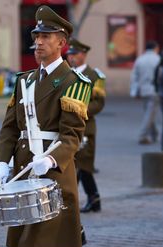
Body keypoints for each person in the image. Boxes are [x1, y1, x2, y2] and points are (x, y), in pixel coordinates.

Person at [0, 5, 100, 247]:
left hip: (53, 176)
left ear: (62, 42)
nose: (37, 42)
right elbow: (10, 128)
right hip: (25, 174)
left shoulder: (75, 83)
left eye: (45, 37)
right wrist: (2, 162)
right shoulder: (24, 80)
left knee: (37, 244)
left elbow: (71, 135)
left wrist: (50, 161)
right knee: (49, 246)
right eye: (35, 36)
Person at [66, 38, 106, 213]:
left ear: (83, 55)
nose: (71, 57)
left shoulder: (94, 76)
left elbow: (99, 102)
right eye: (69, 54)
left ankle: (83, 199)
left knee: (84, 164)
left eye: (74, 54)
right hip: (67, 127)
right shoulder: (67, 74)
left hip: (85, 126)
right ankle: (90, 198)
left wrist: (80, 111)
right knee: (75, 165)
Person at [130, 40, 160, 145]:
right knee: (150, 114)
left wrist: (134, 91)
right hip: (155, 90)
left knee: (149, 112)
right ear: (155, 48)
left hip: (143, 90)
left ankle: (154, 134)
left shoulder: (140, 59)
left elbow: (134, 76)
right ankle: (142, 135)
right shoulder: (158, 59)